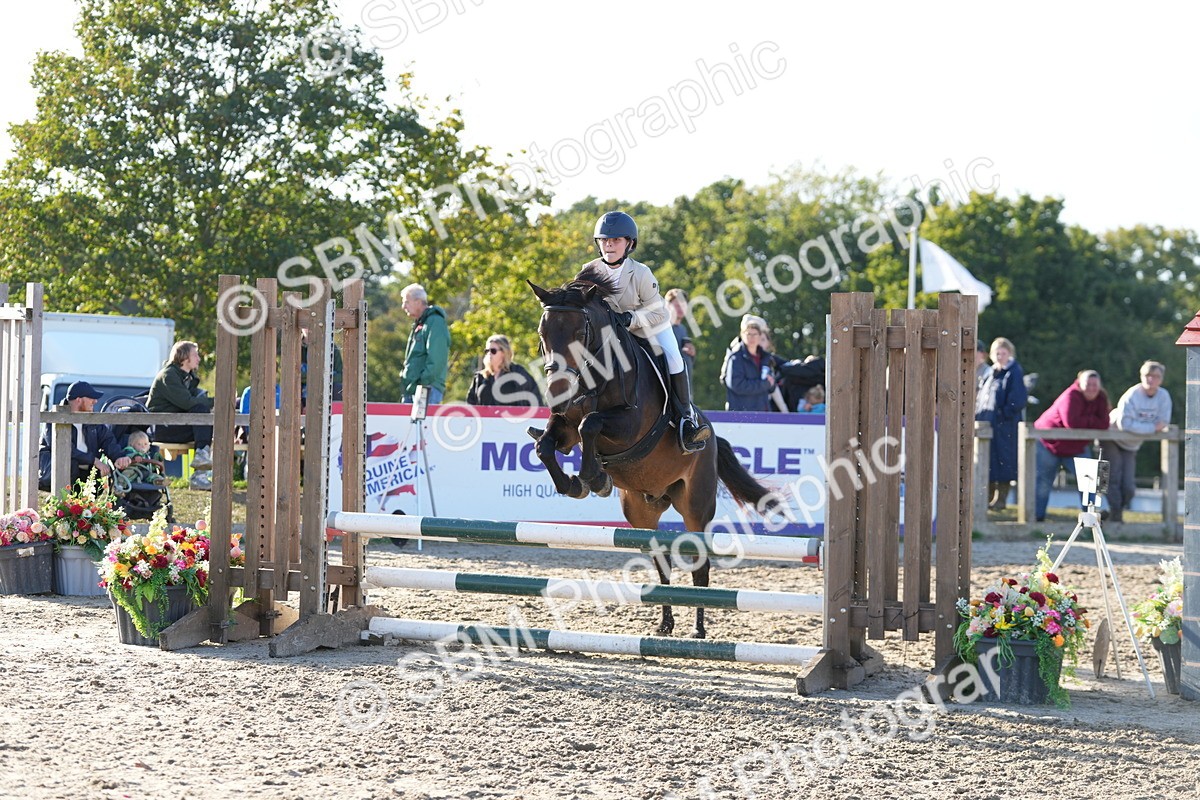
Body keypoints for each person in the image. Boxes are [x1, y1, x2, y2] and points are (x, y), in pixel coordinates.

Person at [585, 211, 711, 452]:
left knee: (674, 358)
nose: (609, 245)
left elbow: (660, 314)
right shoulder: (588, 272)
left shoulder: (641, 273)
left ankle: (687, 421)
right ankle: (562, 419)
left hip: (648, 326)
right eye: (604, 240)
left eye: (616, 240)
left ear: (629, 244)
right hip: (610, 334)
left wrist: (630, 318)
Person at [1033, 369, 1110, 522]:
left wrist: (1086, 420)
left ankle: (1092, 519)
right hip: (1050, 443)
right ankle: (1036, 518)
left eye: (1095, 385)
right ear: (1080, 384)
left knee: (1089, 481)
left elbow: (1104, 423)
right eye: (1088, 384)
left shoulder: (1101, 398)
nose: (1091, 388)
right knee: (1043, 483)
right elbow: (1072, 423)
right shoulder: (1070, 396)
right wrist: (1092, 421)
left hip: (1076, 446)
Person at [1107, 360, 1172, 523]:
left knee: (1129, 486)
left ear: (1161, 379)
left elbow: (1164, 422)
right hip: (1112, 437)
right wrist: (1151, 428)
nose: (1151, 379)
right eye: (1147, 375)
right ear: (1141, 376)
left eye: (1155, 376)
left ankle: (1117, 512)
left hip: (1132, 443)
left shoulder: (1163, 396)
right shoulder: (1132, 395)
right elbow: (1124, 424)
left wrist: (1143, 428)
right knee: (1113, 478)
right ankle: (1115, 517)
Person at [37, 381, 133, 489]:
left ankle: (83, 502)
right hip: (56, 471)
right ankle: (62, 500)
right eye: (91, 398)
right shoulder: (54, 418)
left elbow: (107, 439)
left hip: (85, 469)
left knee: (97, 478)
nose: (95, 401)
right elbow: (64, 449)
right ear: (78, 400)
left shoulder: (91, 418)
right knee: (70, 463)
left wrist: (119, 457)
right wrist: (94, 460)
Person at [147, 340, 214, 489]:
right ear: (184, 358)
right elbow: (187, 402)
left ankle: (200, 473)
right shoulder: (169, 376)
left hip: (175, 424)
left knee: (210, 423)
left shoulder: (187, 377)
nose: (199, 358)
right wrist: (218, 402)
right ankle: (199, 473)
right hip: (161, 428)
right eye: (195, 355)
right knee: (202, 413)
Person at [974, 337, 1027, 511]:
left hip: (1005, 427)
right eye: (997, 352)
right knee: (987, 462)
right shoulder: (991, 373)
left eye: (1003, 353)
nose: (1000, 356)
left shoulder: (1013, 372)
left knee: (1004, 463)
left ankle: (1001, 499)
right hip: (988, 425)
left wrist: (1002, 415)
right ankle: (987, 498)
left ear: (1009, 354)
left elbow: (1017, 400)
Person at [399, 283, 450, 405]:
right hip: (413, 389)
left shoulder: (435, 322)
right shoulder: (421, 323)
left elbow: (437, 358)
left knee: (424, 424)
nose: (403, 306)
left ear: (418, 302)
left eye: (406, 302)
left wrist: (422, 383)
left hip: (426, 390)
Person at [466, 334, 544, 407]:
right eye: (487, 351)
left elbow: (536, 400)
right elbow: (470, 405)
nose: (489, 354)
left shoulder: (519, 373)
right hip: (485, 421)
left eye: (493, 351)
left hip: (514, 420)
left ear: (504, 352)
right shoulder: (480, 377)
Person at [722, 315, 778, 412]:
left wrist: (771, 383)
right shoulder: (735, 358)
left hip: (763, 412)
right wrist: (764, 384)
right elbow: (736, 385)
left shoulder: (766, 357)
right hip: (742, 414)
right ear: (742, 335)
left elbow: (770, 387)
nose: (751, 338)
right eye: (748, 334)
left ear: (760, 336)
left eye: (755, 334)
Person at [664, 288, 696, 377]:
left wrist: (691, 354)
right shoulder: (663, 329)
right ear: (668, 306)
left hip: (685, 383)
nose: (681, 308)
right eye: (677, 305)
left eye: (683, 305)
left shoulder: (682, 329)